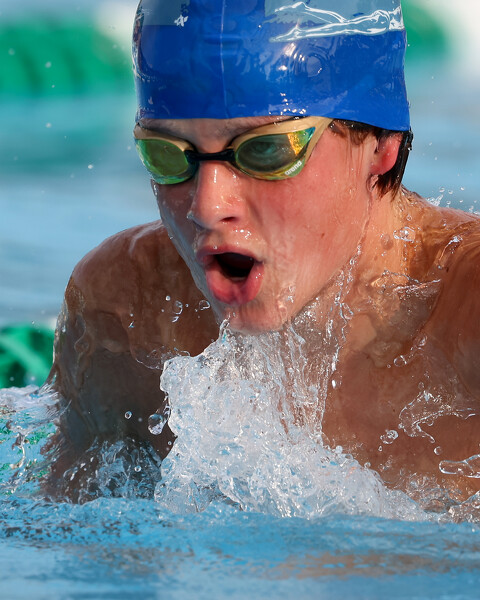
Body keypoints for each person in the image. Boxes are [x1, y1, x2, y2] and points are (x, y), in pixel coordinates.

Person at [48, 0, 480, 507]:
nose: (207, 208)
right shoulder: (126, 312)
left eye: (266, 150)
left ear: (380, 144)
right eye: (168, 154)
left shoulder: (466, 315)